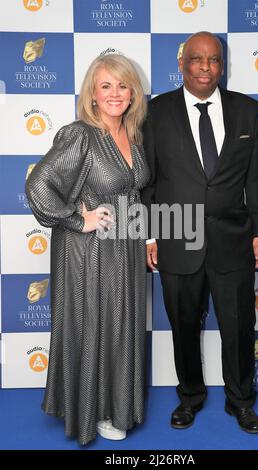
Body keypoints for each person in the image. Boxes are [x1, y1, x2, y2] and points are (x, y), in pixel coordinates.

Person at [142, 32, 258, 434]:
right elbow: (147, 179)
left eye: (213, 60)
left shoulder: (248, 110)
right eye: (196, 59)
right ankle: (190, 398)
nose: (204, 67)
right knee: (183, 325)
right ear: (182, 63)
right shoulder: (155, 112)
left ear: (223, 65)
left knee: (238, 326)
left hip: (233, 240)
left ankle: (241, 402)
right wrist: (150, 235)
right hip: (175, 238)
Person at [26, 53, 150, 445]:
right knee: (95, 325)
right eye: (106, 86)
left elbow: (131, 193)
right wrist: (79, 220)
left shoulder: (132, 134)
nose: (116, 94)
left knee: (120, 325)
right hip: (89, 254)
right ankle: (92, 411)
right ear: (92, 95)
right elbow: (38, 186)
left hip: (125, 249)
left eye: (123, 85)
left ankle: (116, 404)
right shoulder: (80, 134)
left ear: (133, 92)